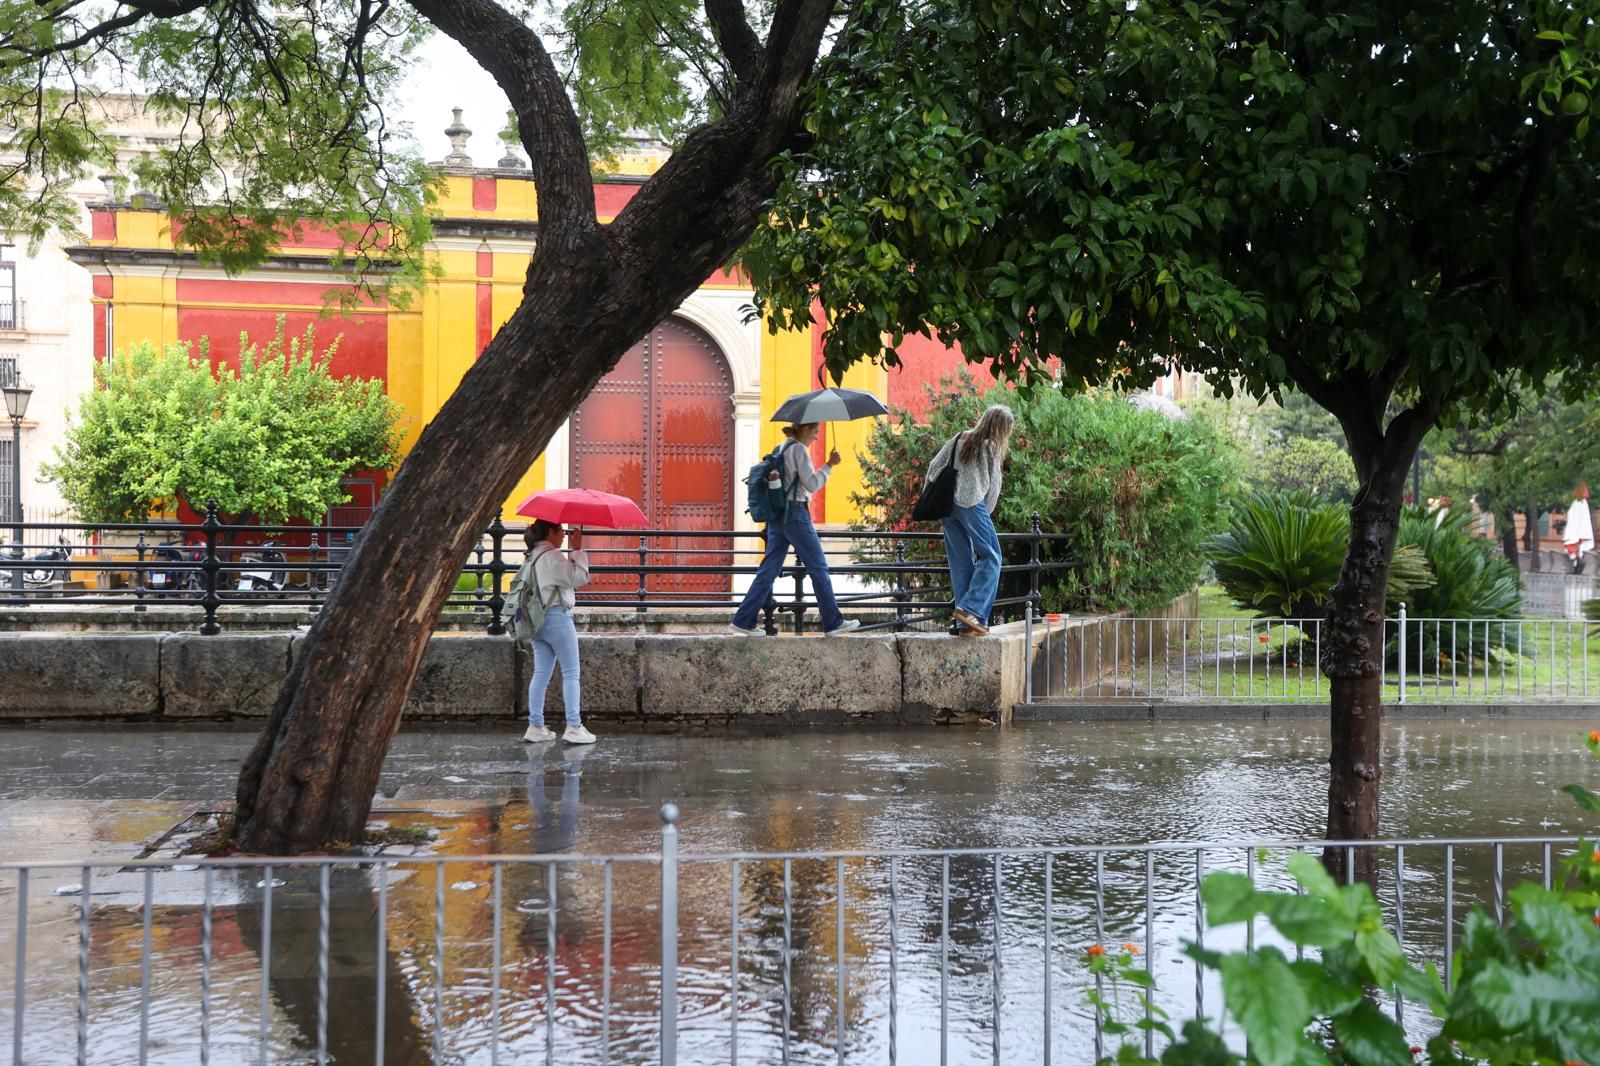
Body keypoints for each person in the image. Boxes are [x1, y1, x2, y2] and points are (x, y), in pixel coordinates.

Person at [730, 422, 862, 636]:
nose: (817, 437)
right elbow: (811, 484)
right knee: (819, 567)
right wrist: (830, 464)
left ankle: (743, 620)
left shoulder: (782, 447)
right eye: (815, 431)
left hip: (777, 516)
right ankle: (833, 622)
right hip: (795, 515)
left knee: (769, 570)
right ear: (804, 429)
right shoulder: (799, 449)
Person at [926, 404, 1015, 636]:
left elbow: (933, 467)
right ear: (1002, 429)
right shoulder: (991, 446)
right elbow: (994, 487)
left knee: (961, 562)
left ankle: (965, 623)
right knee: (992, 556)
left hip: (947, 509)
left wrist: (936, 502)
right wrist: (985, 512)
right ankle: (971, 608)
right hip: (971, 504)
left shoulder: (956, 439)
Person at [521, 519, 598, 744]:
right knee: (571, 673)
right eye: (561, 531)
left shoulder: (532, 556)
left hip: (536, 620)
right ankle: (574, 726)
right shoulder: (552, 556)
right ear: (551, 532)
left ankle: (535, 726)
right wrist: (577, 549)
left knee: (540, 674)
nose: (564, 535)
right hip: (556, 617)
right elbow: (579, 577)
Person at [1564, 482, 1593, 574]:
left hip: (1578, 534)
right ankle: (1576, 564)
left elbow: (1582, 521)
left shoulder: (1582, 504)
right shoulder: (1577, 504)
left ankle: (1577, 564)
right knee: (1575, 550)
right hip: (1576, 533)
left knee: (1577, 550)